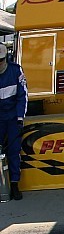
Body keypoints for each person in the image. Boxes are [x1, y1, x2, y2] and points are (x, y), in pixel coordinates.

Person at [0, 44, 27, 201]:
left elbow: (22, 96)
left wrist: (19, 119)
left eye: (1, 60)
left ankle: (15, 185)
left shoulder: (16, 71)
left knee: (14, 152)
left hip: (11, 118)